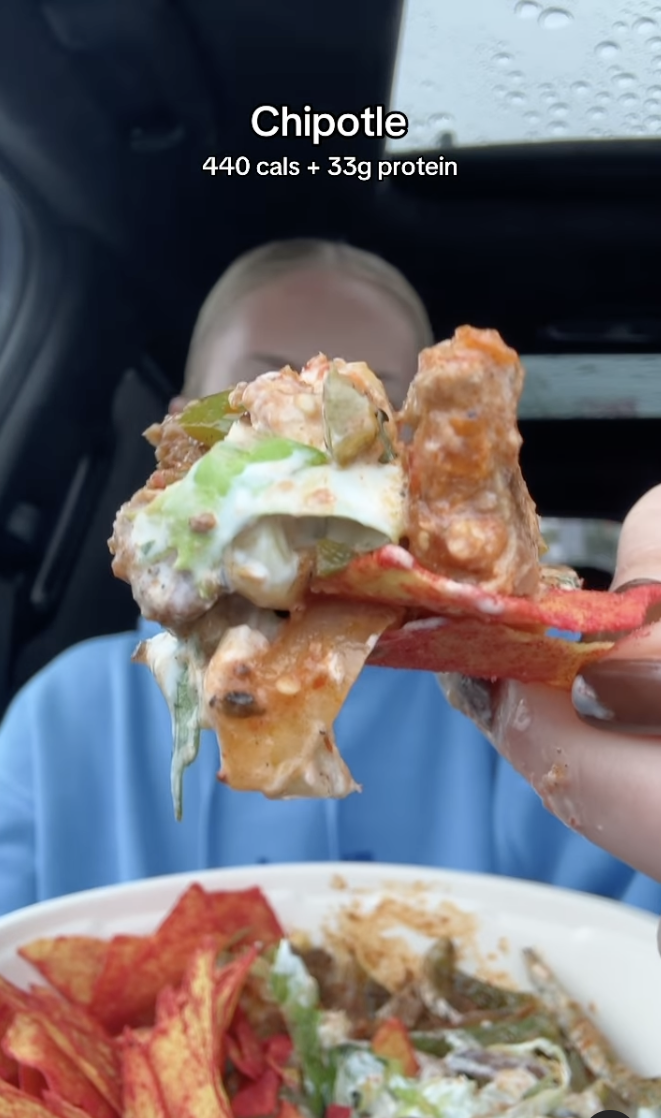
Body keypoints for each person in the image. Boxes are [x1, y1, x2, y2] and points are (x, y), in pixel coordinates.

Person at [0, 238, 660, 923]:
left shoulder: (540, 701)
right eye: (257, 395)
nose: (314, 445)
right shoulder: (57, 722)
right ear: (179, 429)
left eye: (370, 409)